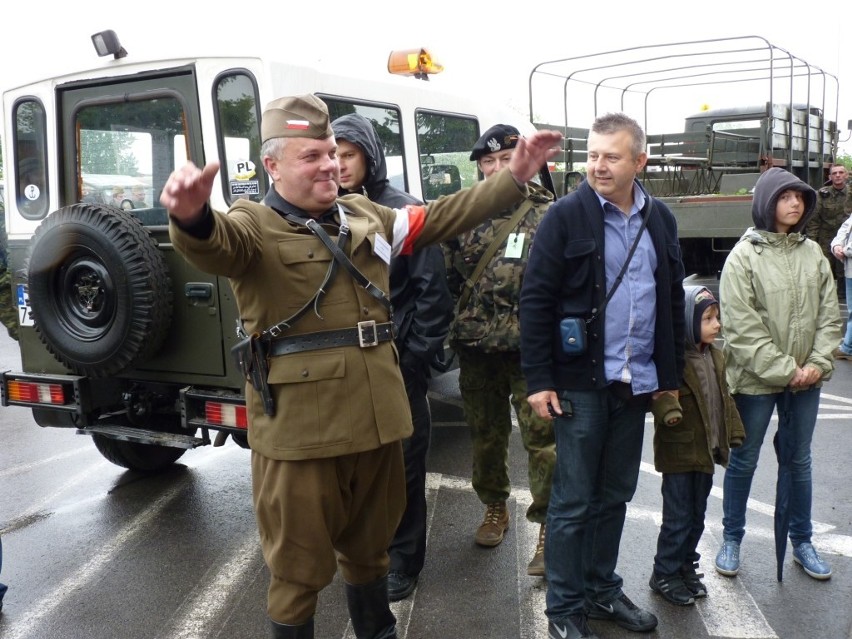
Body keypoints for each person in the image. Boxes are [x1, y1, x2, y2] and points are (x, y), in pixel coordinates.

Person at [160, 93, 562, 639]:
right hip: (302, 436)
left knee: (372, 553)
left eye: (331, 152)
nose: (329, 163)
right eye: (311, 156)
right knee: (298, 571)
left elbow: (439, 218)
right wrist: (191, 216)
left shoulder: (363, 213)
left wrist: (512, 177)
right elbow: (217, 245)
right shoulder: (253, 224)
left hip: (377, 423)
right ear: (272, 165)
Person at [520, 112, 686, 639]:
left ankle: (600, 591)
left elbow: (668, 297)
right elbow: (536, 301)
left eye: (611, 156)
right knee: (573, 500)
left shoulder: (658, 219)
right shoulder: (564, 217)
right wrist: (539, 381)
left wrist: (668, 372)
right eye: (592, 155)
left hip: (635, 381)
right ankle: (565, 610)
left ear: (640, 161)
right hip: (579, 383)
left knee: (615, 493)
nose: (598, 166)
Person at [330, 112, 453, 602]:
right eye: (331, 154)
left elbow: (431, 293)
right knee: (355, 466)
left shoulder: (402, 211)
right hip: (344, 365)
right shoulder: (322, 209)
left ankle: (405, 561)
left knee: (403, 464)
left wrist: (414, 360)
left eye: (348, 154)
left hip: (397, 361)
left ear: (369, 156)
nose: (339, 165)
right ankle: (366, 554)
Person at [714, 167, 841, 582]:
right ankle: (732, 538)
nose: (795, 203)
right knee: (745, 459)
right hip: (757, 380)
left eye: (800, 198)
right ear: (767, 203)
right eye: (786, 197)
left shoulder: (813, 254)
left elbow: (829, 315)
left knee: (798, 460)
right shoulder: (743, 256)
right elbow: (741, 327)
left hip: (807, 379)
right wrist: (787, 371)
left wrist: (818, 365)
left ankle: (802, 541)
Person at [444, 124, 555, 576]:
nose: (493, 169)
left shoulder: (551, 214)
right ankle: (494, 506)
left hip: (532, 350)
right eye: (486, 163)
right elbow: (450, 278)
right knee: (485, 433)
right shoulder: (464, 215)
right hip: (477, 348)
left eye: (504, 160)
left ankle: (549, 526)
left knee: (543, 441)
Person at [648, 286, 745, 606]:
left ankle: (685, 566)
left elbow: (724, 399)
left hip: (707, 451)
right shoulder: (674, 362)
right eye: (708, 318)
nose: (717, 324)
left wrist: (734, 432)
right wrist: (668, 411)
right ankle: (664, 573)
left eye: (716, 317)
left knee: (697, 515)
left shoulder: (716, 356)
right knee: (677, 517)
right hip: (678, 454)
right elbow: (659, 397)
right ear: (688, 323)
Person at [805, 164, 852, 294]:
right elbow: (814, 220)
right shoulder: (822, 194)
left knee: (844, 269)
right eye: (835, 173)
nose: (838, 175)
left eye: (841, 172)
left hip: (846, 238)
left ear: (846, 175)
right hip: (825, 237)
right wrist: (812, 243)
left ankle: (843, 296)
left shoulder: (850, 194)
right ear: (830, 176)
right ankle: (825, 296)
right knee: (824, 268)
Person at [830, 210, 852, 361]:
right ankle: (848, 346)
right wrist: (836, 246)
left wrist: (844, 251)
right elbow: (844, 229)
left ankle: (848, 347)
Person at [0, 202, 19, 341]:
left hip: (4, 286)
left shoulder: (2, 216)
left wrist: (10, 279)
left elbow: (10, 248)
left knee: (18, 330)